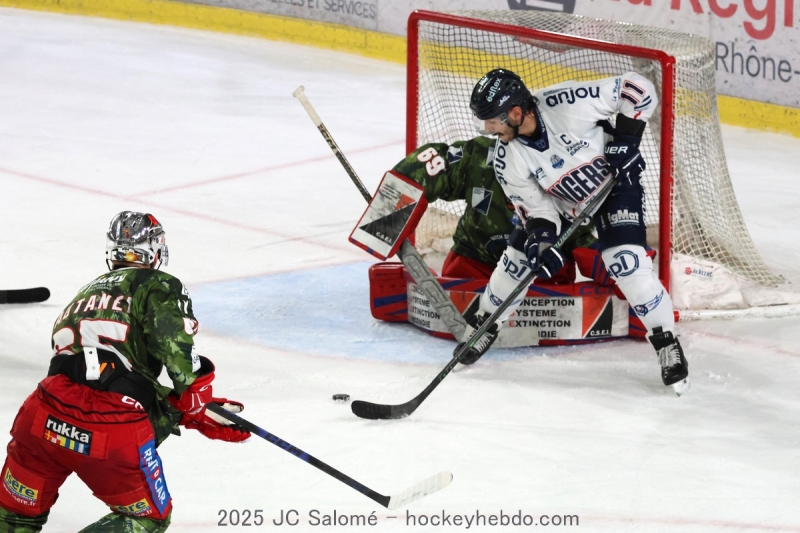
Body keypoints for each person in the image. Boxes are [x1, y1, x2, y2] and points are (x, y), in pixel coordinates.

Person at [0, 212, 249, 532]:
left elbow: (91, 374)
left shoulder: (84, 294)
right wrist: (194, 401)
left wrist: (174, 410)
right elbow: (176, 356)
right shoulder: (158, 284)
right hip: (107, 429)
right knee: (147, 518)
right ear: (156, 250)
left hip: (40, 418)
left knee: (13, 518)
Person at [457, 68, 688, 388]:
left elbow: (638, 88)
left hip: (614, 185)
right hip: (560, 201)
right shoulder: (506, 158)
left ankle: (666, 343)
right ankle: (485, 325)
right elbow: (536, 211)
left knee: (626, 264)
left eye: (492, 120)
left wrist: (626, 140)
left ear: (515, 112)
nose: (487, 128)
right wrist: (541, 243)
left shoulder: (566, 103)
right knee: (517, 260)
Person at [392, 137, 595, 283]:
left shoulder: (569, 184)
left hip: (542, 279)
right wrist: (390, 208)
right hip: (472, 267)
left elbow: (588, 240)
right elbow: (437, 164)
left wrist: (618, 268)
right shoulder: (482, 160)